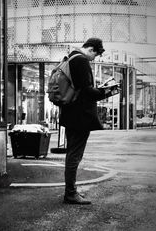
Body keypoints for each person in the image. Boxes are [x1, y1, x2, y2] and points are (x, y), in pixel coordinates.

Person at [60, 37, 115, 205]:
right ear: (91, 49)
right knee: (74, 155)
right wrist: (108, 91)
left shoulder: (72, 57)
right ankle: (70, 194)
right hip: (79, 116)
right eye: (96, 55)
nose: (95, 58)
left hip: (72, 114)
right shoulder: (82, 61)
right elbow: (87, 91)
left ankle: (70, 192)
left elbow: (80, 88)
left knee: (72, 154)